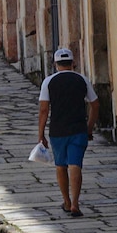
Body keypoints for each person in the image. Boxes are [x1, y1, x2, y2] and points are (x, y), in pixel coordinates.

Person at [37, 48, 99, 218]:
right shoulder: (82, 79)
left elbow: (44, 109)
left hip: (58, 131)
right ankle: (75, 203)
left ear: (55, 64)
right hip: (78, 129)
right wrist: (89, 127)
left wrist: (40, 133)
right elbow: (95, 104)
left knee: (61, 166)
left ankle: (66, 201)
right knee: (75, 164)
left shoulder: (48, 82)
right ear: (73, 63)